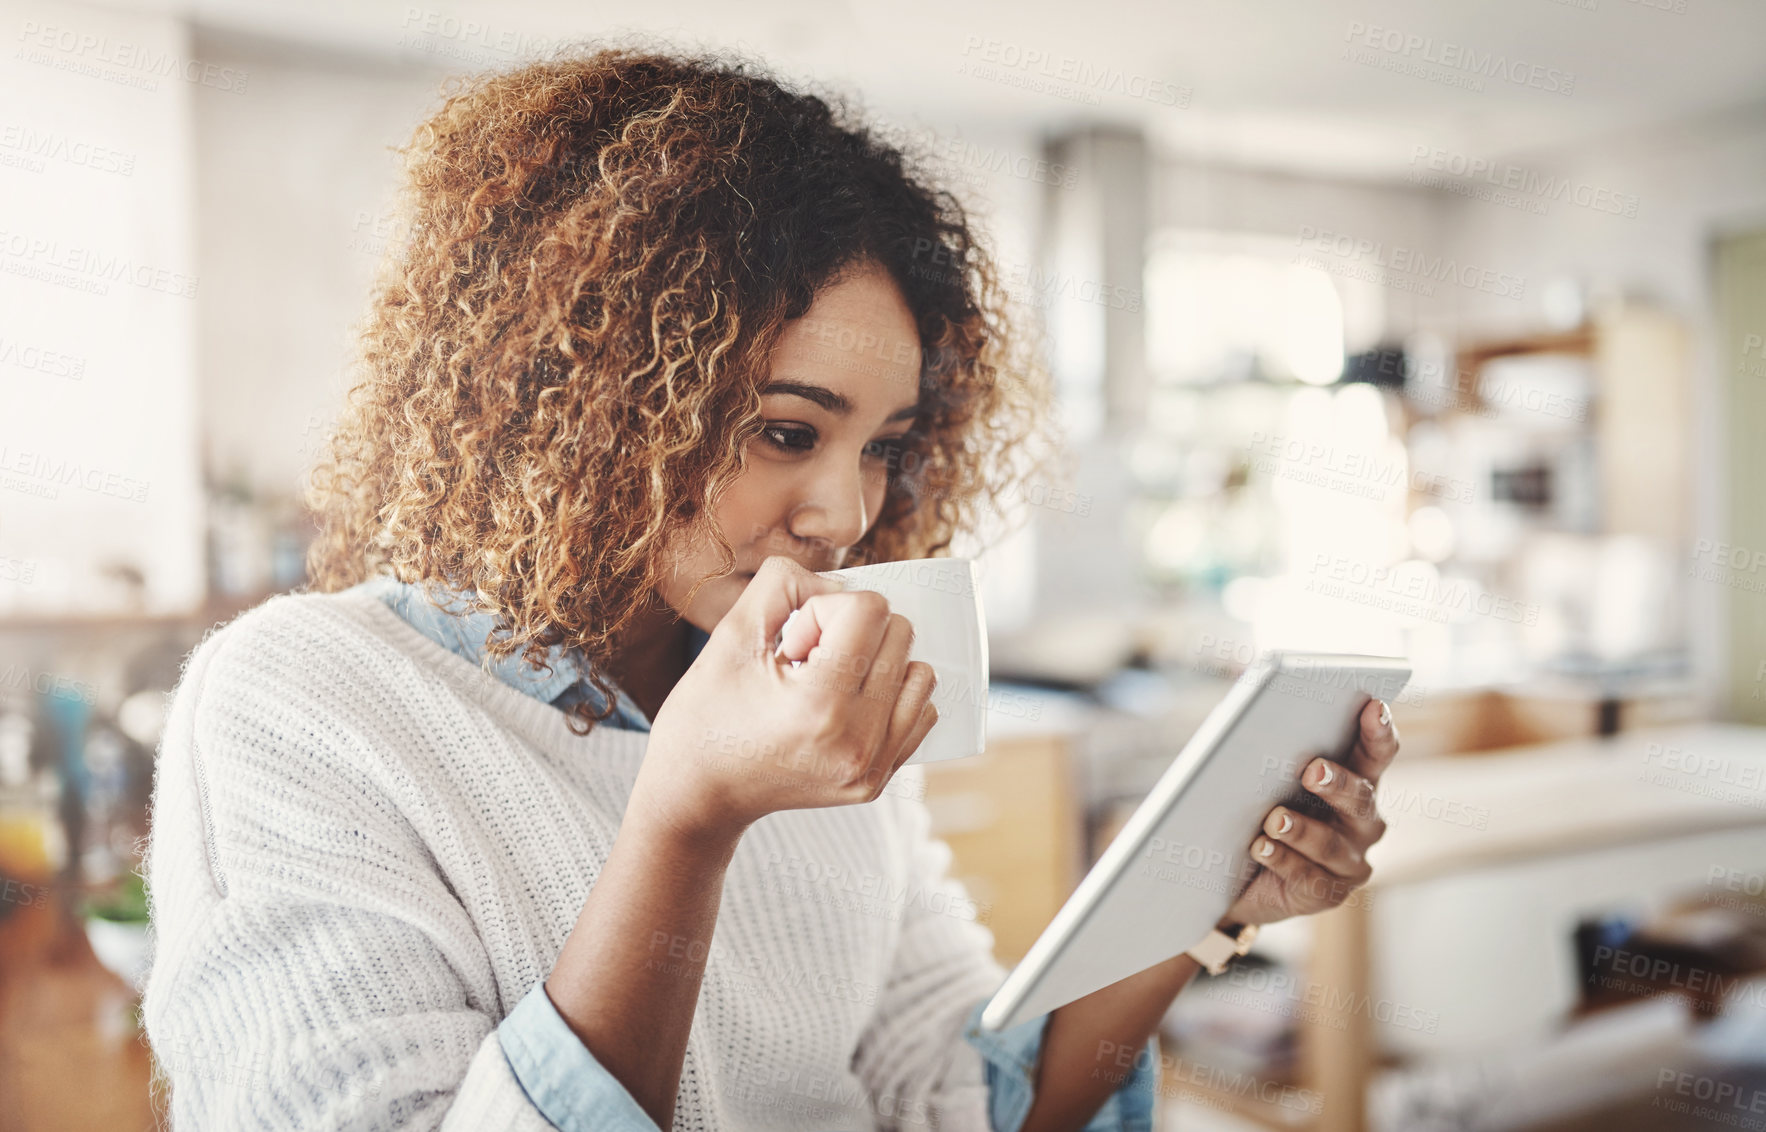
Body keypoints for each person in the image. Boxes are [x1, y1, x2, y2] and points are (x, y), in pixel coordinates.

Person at [142, 44, 1401, 1132]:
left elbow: (958, 1101)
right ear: (583, 403)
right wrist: (686, 816)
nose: (846, 514)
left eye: (884, 447)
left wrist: (1192, 905)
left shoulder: (809, 712)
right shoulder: (300, 703)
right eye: (788, 431)